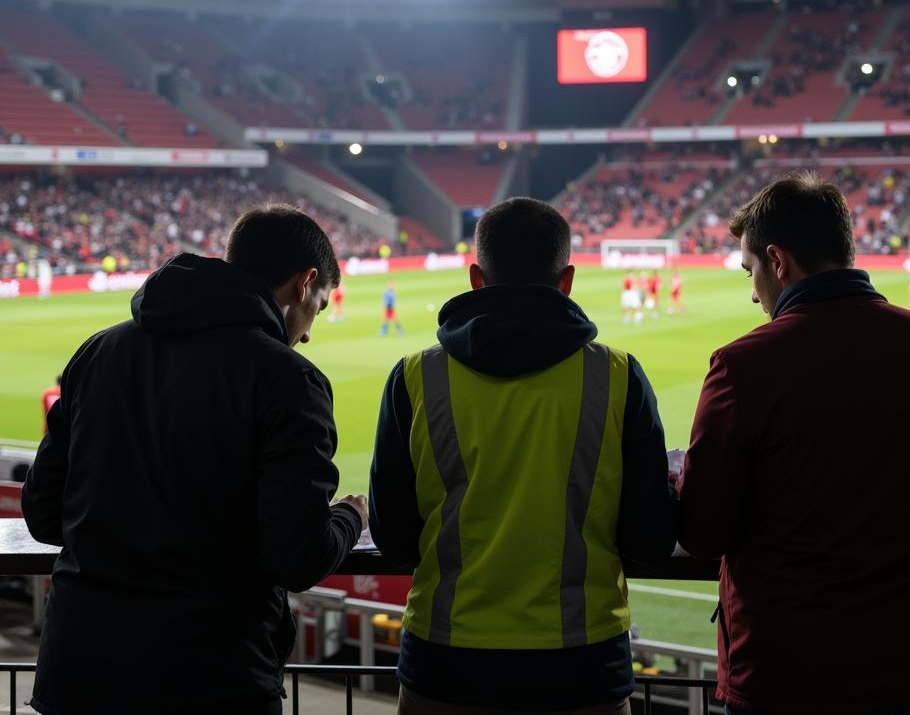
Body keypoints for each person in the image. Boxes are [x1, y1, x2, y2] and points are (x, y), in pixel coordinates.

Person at [22, 204, 368, 715]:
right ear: (305, 283)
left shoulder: (98, 352)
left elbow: (44, 513)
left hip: (78, 671)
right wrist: (349, 517)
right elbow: (296, 557)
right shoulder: (289, 380)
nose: (309, 332)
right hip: (214, 679)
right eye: (317, 306)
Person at [677, 173, 910, 715]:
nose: (752, 292)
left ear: (777, 262)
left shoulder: (743, 365)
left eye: (750, 270)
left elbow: (703, 530)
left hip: (793, 672)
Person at [369, 197, 676, 714]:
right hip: (582, 667)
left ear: (475, 277)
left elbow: (395, 542)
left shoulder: (415, 378)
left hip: (445, 665)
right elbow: (649, 540)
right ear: (568, 280)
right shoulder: (618, 375)